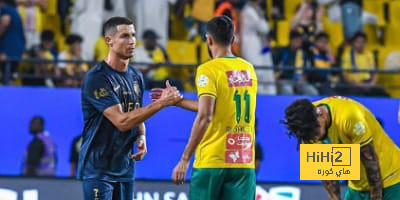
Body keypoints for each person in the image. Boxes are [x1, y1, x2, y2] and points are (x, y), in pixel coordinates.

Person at [153, 16, 258, 200]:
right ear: (233, 39)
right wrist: (178, 101)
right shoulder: (248, 69)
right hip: (243, 161)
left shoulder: (208, 70)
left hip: (212, 161)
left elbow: (205, 116)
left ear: (209, 39)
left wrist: (184, 159)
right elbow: (216, 108)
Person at [77, 16, 182, 200]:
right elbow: (122, 121)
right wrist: (161, 103)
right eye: (125, 36)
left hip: (124, 169)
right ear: (109, 41)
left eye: (133, 35)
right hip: (99, 170)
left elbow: (135, 112)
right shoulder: (97, 78)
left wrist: (141, 136)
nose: (132, 41)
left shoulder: (136, 76)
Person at [282, 96, 400, 200]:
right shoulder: (305, 127)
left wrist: (376, 198)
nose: (315, 139)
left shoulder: (349, 116)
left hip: (391, 178)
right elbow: (327, 172)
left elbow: (370, 161)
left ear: (321, 115)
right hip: (358, 186)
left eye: (315, 133)